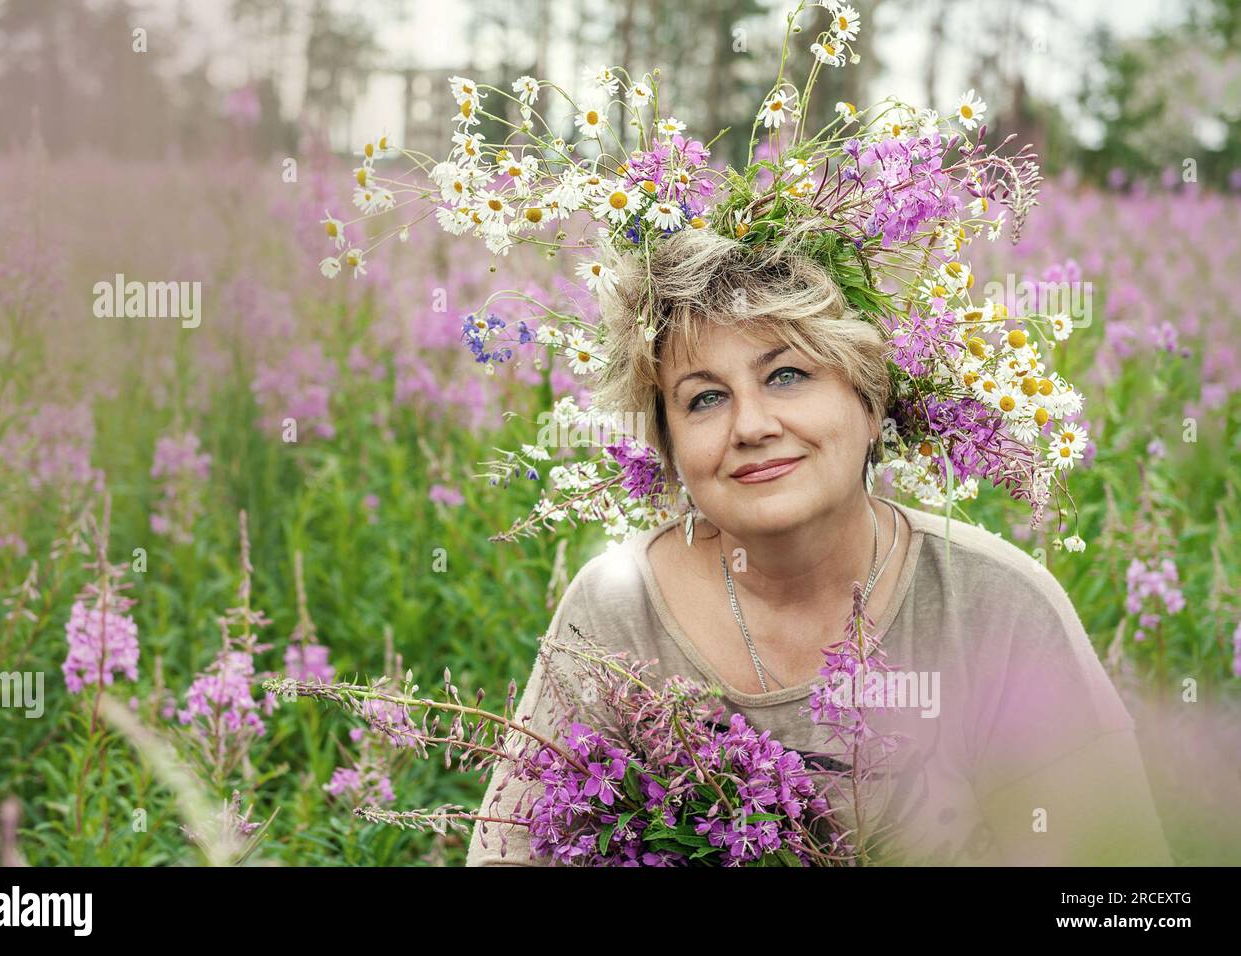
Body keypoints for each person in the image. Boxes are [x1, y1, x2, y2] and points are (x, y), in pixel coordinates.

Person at [466, 229, 1172, 866]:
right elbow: (511, 850)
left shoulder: (993, 605)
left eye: (787, 375)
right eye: (704, 398)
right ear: (671, 449)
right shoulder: (615, 610)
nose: (751, 425)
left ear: (869, 405)